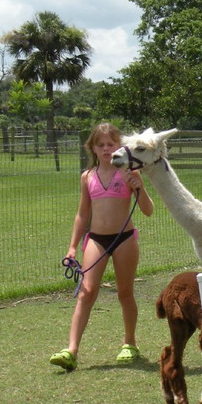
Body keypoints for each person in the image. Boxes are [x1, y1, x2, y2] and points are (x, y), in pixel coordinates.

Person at [50, 122, 155, 371]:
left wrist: (140, 189)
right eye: (101, 145)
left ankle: (129, 343)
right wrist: (72, 247)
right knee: (86, 292)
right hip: (96, 239)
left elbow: (148, 210)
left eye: (111, 144)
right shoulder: (87, 177)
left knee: (125, 292)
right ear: (93, 148)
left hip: (125, 239)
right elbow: (82, 215)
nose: (106, 149)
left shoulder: (129, 173)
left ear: (119, 146)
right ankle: (71, 350)